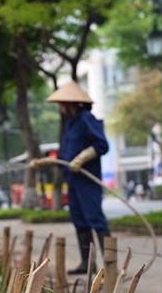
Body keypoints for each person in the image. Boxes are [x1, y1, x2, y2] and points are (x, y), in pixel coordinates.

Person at [30, 81, 110, 274]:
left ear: (71, 103)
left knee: (95, 219)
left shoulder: (85, 119)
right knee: (79, 220)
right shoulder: (71, 124)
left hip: (87, 180)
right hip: (73, 181)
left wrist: (82, 158)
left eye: (62, 104)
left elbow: (102, 145)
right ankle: (87, 263)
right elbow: (64, 157)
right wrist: (44, 162)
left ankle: (110, 264)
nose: (61, 108)